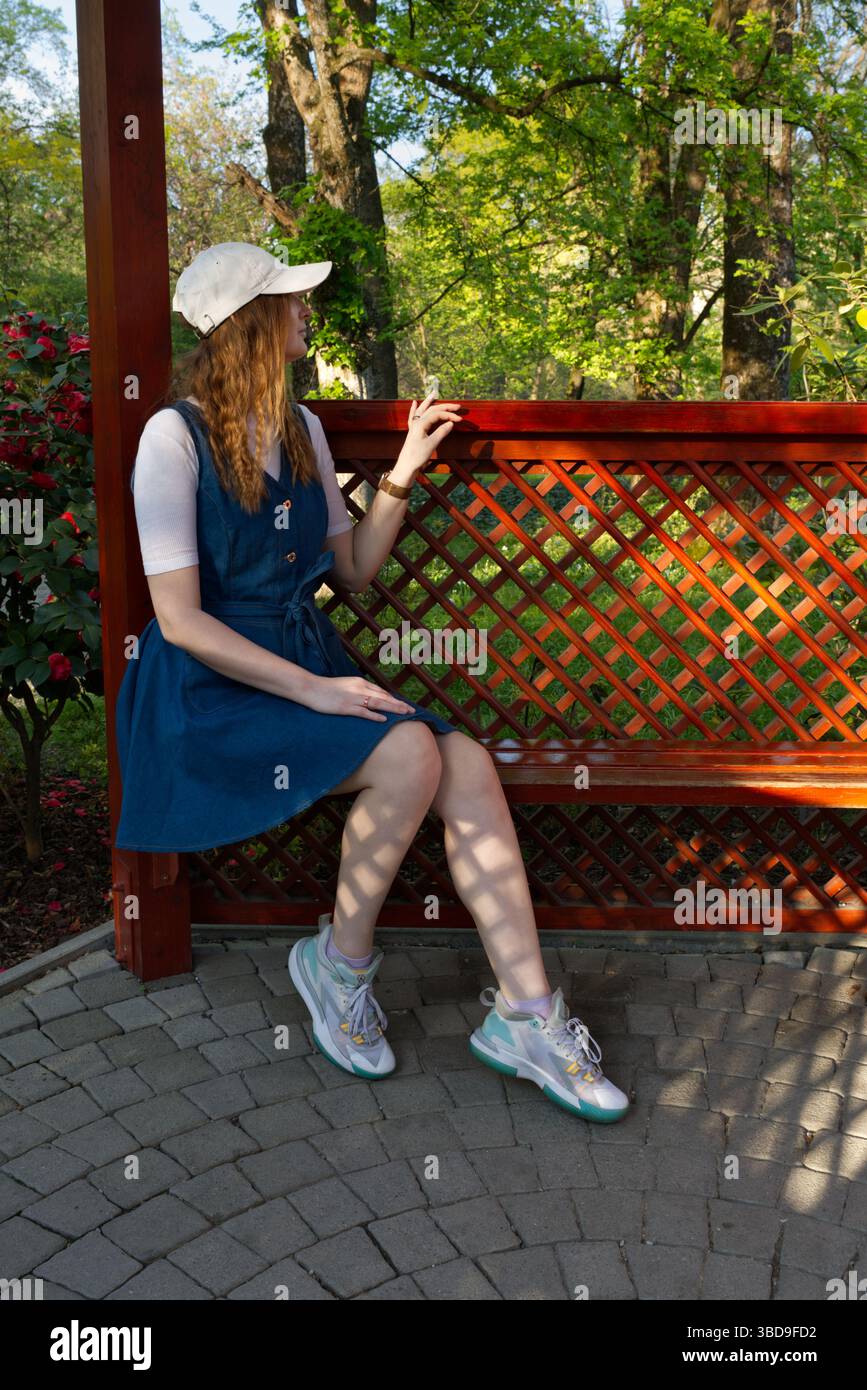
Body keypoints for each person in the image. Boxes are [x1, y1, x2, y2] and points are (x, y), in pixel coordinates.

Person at [114, 241, 629, 1124]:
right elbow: (180, 621)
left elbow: (348, 570)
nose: (304, 311)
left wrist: (401, 471)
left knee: (459, 759)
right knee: (406, 757)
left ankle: (528, 1016)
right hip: (209, 689)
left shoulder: (302, 428)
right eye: (289, 300)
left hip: (303, 662)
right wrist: (315, 693)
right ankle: (338, 967)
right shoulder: (173, 436)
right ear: (247, 322)